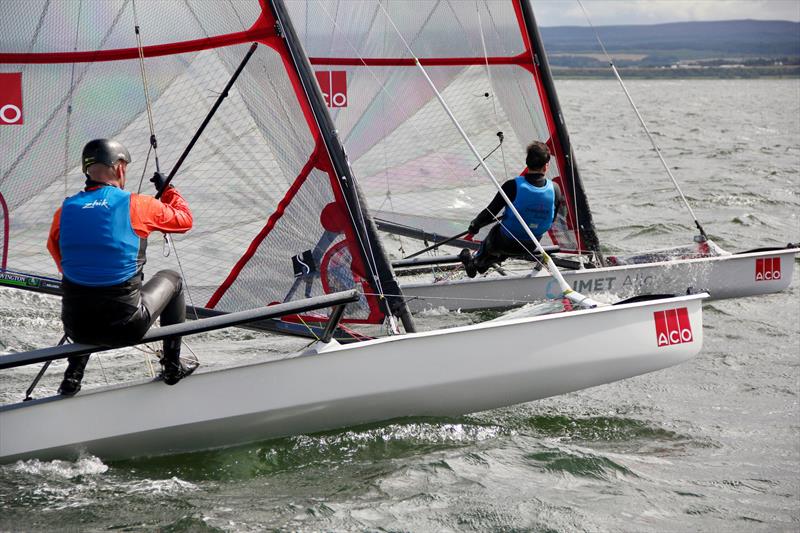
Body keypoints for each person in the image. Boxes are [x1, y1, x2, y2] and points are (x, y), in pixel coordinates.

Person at [46, 139, 195, 396]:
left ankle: (72, 377)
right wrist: (169, 189)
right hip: (126, 327)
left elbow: (56, 251)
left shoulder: (65, 210)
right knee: (173, 278)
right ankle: (172, 366)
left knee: (85, 296)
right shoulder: (138, 204)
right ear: (118, 168)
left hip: (76, 327)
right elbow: (185, 220)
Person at [460, 141, 565, 278]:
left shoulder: (512, 186)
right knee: (508, 235)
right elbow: (552, 219)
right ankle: (485, 263)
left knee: (497, 232)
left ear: (527, 163)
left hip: (503, 242)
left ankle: (476, 263)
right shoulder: (556, 189)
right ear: (546, 167)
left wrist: (475, 225)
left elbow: (490, 212)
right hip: (530, 245)